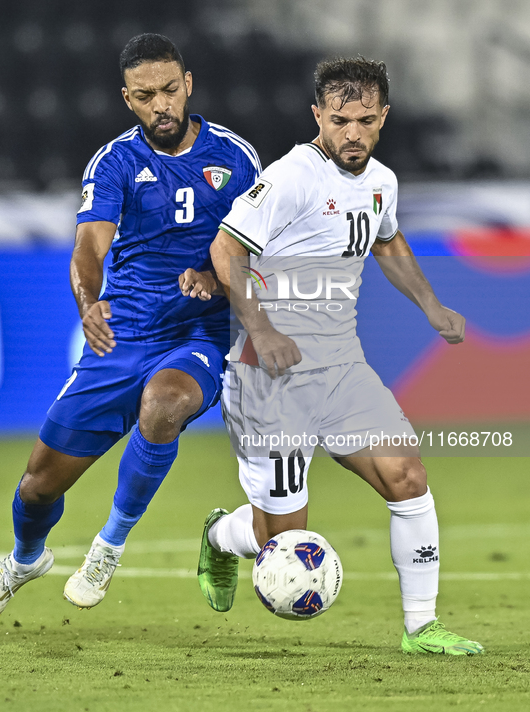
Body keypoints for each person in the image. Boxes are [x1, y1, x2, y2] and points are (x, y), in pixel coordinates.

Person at [0, 33, 260, 624]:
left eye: (171, 90)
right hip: (120, 335)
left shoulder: (237, 157)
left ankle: (108, 547)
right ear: (128, 99)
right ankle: (25, 559)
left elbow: (260, 244)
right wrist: (88, 302)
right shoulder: (116, 162)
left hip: (196, 334)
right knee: (37, 487)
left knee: (165, 403)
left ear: (189, 85)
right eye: (147, 95)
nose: (162, 106)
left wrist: (212, 271)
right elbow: (88, 248)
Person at [195, 57, 484, 655]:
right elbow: (226, 253)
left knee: (409, 477)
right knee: (281, 538)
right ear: (318, 117)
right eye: (340, 120)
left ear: (383, 117)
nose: (353, 134)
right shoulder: (292, 177)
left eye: (366, 121)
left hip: (343, 369)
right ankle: (221, 536)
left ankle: (421, 626)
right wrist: (264, 329)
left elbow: (387, 237)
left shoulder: (382, 180)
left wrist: (430, 306)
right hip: (268, 376)